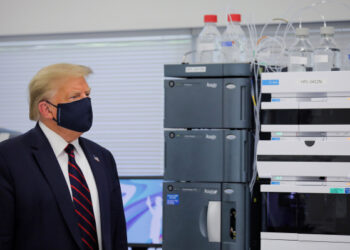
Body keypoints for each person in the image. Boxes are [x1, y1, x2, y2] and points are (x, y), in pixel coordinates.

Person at [0, 63, 127, 250]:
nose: (86, 102)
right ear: (46, 109)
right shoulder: (9, 158)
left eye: (87, 94)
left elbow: (117, 233)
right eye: (75, 96)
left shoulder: (102, 157)